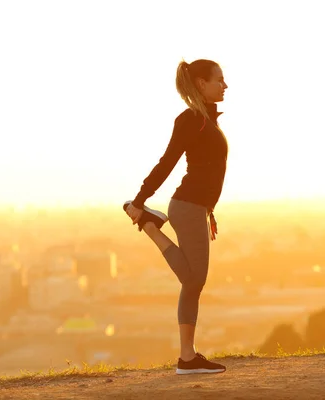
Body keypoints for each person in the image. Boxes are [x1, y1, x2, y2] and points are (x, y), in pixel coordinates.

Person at [123, 59, 229, 375]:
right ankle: (186, 358)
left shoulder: (206, 120)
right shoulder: (191, 120)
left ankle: (187, 356)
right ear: (201, 83)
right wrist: (140, 201)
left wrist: (209, 210)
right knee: (194, 279)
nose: (225, 85)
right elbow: (168, 161)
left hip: (197, 208)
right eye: (219, 79)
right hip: (186, 206)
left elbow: (207, 169)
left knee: (193, 282)